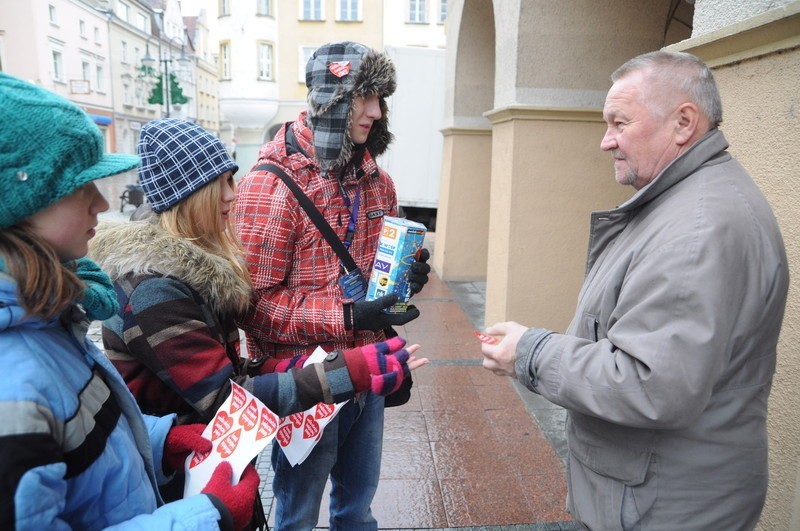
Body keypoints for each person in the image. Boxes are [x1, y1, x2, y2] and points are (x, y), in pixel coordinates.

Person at [481, 50, 789, 530]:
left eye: (619, 123)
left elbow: (651, 383)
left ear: (683, 123)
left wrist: (531, 352)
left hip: (665, 506)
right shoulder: (685, 205)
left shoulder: (696, 230)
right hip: (656, 493)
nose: (606, 142)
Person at [88, 119, 426, 501]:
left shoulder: (179, 274)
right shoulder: (153, 292)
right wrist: (351, 370)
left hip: (202, 468)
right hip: (174, 484)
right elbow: (229, 400)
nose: (234, 195)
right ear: (190, 194)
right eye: (222, 184)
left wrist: (304, 365)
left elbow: (225, 371)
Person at [0, 72, 260, 530]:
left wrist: (160, 438)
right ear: (20, 201)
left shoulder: (48, 315)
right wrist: (207, 516)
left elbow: (87, 433)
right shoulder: (13, 382)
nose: (101, 203)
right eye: (78, 186)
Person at [233, 41, 431, 530]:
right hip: (306, 380)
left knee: (358, 506)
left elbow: (379, 271)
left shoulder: (377, 181)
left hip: (369, 370)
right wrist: (347, 317)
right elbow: (252, 308)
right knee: (297, 513)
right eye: (366, 97)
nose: (377, 112)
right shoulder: (268, 186)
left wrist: (407, 280)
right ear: (334, 102)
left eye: (381, 98)